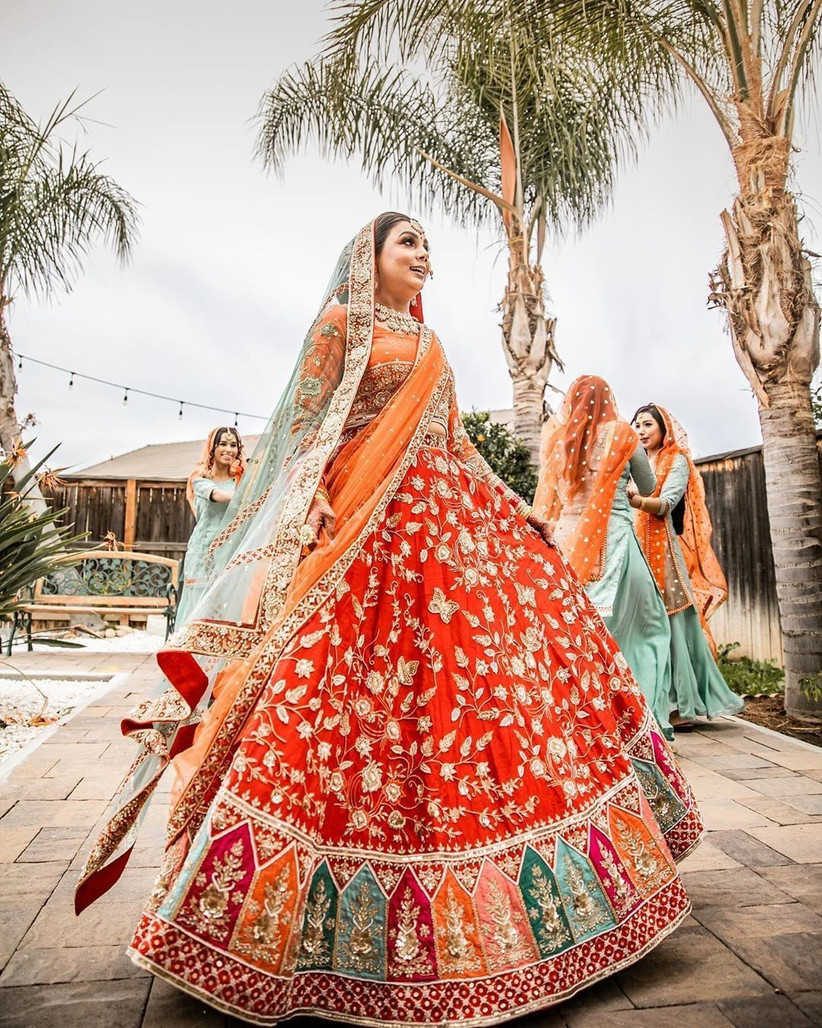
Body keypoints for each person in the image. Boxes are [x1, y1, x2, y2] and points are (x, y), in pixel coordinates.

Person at [76, 215, 702, 1026]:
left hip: (448, 531)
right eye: (405, 241)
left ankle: (529, 910)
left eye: (426, 244)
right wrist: (318, 497)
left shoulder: (432, 341)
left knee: (483, 690)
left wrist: (519, 506)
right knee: (332, 699)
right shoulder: (341, 325)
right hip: (363, 530)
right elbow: (303, 428)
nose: (422, 253)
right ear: (368, 257)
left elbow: (456, 443)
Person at [535, 377, 673, 737]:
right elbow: (647, 487)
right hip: (611, 540)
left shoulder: (556, 436)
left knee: (571, 629)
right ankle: (637, 717)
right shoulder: (622, 436)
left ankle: (572, 713)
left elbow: (550, 495)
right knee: (648, 625)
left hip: (562, 541)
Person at [632, 404, 743, 730]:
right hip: (637, 548)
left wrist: (635, 500)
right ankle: (649, 700)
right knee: (645, 624)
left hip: (665, 551)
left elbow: (666, 504)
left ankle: (681, 705)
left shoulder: (676, 460)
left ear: (664, 428)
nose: (640, 431)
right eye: (637, 425)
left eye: (648, 424)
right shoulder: (639, 461)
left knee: (673, 623)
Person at [179, 427, 246, 620]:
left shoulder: (241, 481)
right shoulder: (199, 479)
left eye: (233, 445)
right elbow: (218, 495)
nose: (229, 449)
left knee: (227, 605)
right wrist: (248, 497)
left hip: (231, 550)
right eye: (223, 444)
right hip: (204, 550)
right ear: (212, 448)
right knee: (199, 607)